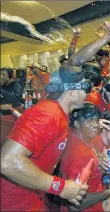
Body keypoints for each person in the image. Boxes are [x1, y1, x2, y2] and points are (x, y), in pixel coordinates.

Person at [0, 66, 91, 211]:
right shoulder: (49, 115)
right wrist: (60, 187)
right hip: (15, 202)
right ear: (72, 92)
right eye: (86, 87)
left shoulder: (59, 113)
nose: (88, 93)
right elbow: (8, 161)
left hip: (31, 195)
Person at [60, 103, 110, 212]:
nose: (96, 125)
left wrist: (99, 163)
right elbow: (74, 204)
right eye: (89, 121)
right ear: (77, 123)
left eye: (96, 120)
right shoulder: (81, 154)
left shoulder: (80, 138)